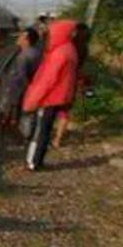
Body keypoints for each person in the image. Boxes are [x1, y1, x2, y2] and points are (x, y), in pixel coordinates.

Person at [23, 19, 80, 171]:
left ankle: (33, 162)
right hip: (60, 97)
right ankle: (38, 160)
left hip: (49, 98)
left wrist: (32, 101)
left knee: (40, 131)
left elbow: (47, 80)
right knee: (46, 130)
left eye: (51, 34)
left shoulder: (59, 54)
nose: (48, 37)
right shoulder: (70, 49)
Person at [52, 22, 90, 149]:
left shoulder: (67, 46)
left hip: (59, 80)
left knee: (50, 108)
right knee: (65, 111)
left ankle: (47, 132)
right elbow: (81, 66)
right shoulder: (84, 48)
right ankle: (58, 139)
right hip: (72, 81)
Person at [0, 28, 43, 134]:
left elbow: (21, 76)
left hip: (17, 89)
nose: (18, 38)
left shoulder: (23, 56)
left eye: (21, 37)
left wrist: (28, 88)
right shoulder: (37, 53)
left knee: (11, 111)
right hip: (28, 87)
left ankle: (8, 131)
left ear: (26, 40)